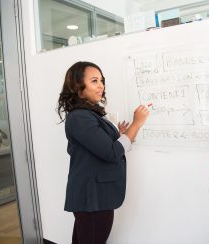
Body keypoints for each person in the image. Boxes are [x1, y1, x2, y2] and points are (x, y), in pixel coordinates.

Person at [57, 61, 149, 244]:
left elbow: (102, 147)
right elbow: (111, 152)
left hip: (96, 196)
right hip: (93, 198)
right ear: (78, 86)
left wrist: (121, 135)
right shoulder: (80, 117)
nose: (101, 85)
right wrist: (137, 123)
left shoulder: (89, 114)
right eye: (94, 80)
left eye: (101, 80)